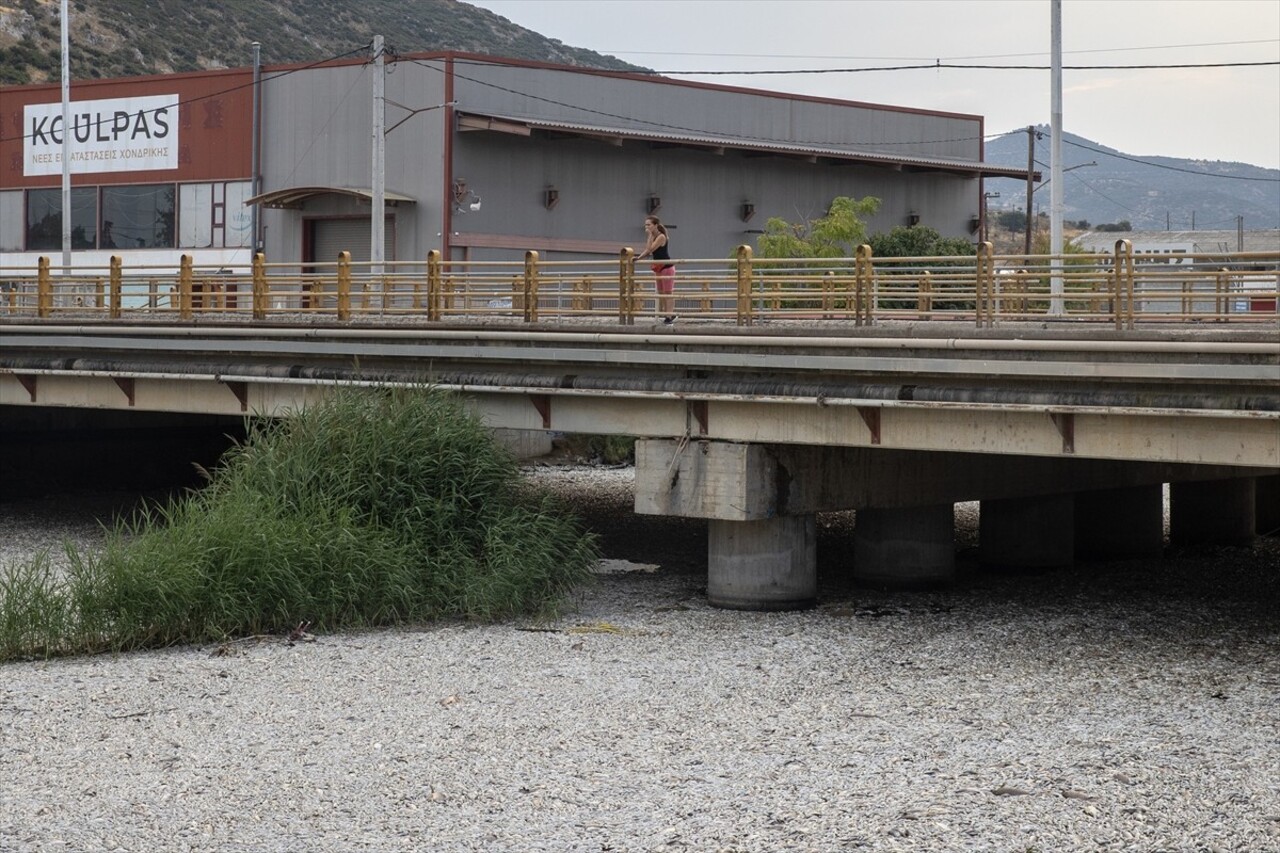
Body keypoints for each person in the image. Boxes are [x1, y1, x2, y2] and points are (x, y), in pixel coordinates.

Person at [638, 215, 676, 323]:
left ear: (655, 225)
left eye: (649, 225)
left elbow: (651, 249)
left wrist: (649, 236)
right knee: (661, 292)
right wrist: (638, 258)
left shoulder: (661, 237)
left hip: (666, 266)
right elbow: (647, 250)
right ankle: (668, 314)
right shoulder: (653, 237)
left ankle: (669, 316)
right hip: (658, 267)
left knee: (668, 292)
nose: (647, 227)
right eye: (646, 225)